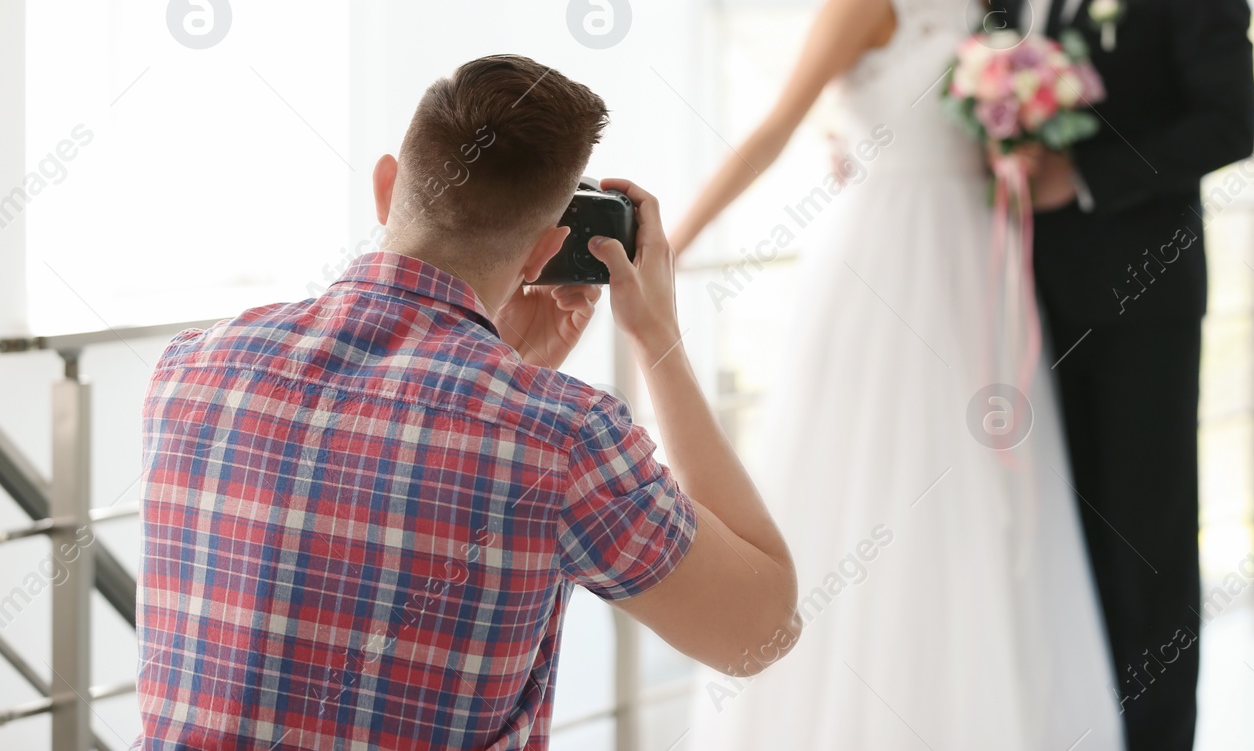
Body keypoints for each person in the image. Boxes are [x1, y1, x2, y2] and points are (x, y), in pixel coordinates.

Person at [134, 55, 800, 750]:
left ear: (387, 186)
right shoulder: (561, 438)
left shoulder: (191, 369)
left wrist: (508, 367)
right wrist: (656, 339)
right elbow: (760, 631)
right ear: (545, 250)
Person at [674, 0, 1123, 749]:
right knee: (887, 483)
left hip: (978, 264)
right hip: (889, 260)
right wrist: (672, 241)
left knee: (988, 490)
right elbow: (775, 127)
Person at [983, 0, 1254, 750]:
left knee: (1145, 533)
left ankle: (1152, 738)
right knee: (1045, 528)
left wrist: (1085, 174)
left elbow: (1227, 123)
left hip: (1142, 300)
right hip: (1022, 303)